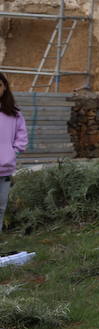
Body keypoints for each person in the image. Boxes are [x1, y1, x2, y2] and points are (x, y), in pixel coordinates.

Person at [0, 72, 27, 230]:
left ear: (4, 87)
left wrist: (12, 153)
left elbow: (22, 136)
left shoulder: (14, 113)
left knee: (1, 206)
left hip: (4, 168)